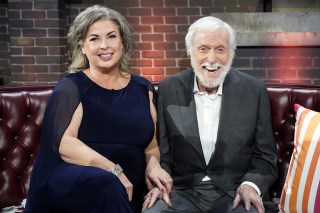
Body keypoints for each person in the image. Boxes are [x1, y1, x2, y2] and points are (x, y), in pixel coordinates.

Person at [25, 5, 172, 213]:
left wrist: (154, 164)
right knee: (107, 185)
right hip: (77, 181)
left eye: (111, 36)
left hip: (128, 185)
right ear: (82, 46)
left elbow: (151, 145)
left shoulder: (143, 88)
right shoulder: (72, 85)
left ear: (123, 42)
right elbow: (65, 144)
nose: (104, 45)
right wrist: (114, 171)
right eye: (94, 39)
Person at [142, 16, 278, 213]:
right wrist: (159, 185)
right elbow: (163, 150)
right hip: (181, 191)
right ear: (190, 51)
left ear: (231, 53)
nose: (212, 59)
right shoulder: (169, 88)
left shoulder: (253, 90)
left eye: (220, 49)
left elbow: (266, 155)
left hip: (235, 192)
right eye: (203, 48)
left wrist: (251, 185)